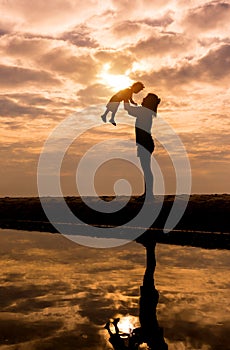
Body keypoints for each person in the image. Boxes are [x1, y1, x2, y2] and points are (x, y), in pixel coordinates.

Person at [124, 93, 161, 201]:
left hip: (145, 143)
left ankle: (149, 195)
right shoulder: (146, 112)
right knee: (147, 170)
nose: (143, 99)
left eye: (145, 98)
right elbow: (130, 109)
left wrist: (124, 96)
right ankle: (148, 194)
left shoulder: (143, 111)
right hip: (146, 143)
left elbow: (128, 109)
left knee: (147, 170)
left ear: (148, 101)